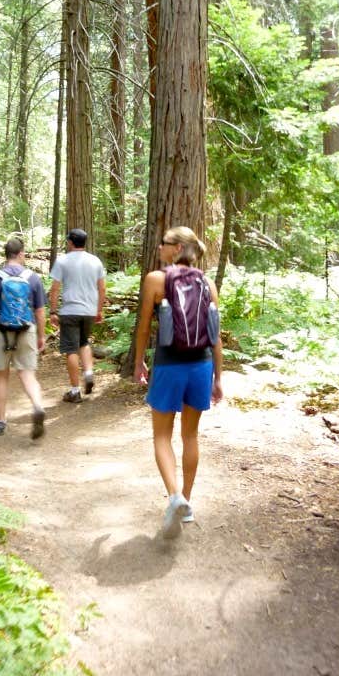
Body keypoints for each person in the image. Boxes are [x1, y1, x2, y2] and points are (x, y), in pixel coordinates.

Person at [133, 226, 223, 539]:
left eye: (163, 243)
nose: (158, 247)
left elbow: (144, 326)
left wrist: (138, 363)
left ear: (176, 248)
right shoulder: (207, 282)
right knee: (191, 435)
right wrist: (219, 377)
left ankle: (174, 497)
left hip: (169, 365)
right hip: (201, 366)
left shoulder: (156, 279)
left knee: (161, 436)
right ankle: (188, 500)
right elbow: (216, 334)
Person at [0, 237, 47, 439]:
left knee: (2, 375)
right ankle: (37, 405)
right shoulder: (32, 277)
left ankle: (0, 421)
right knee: (27, 374)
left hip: (1, 330)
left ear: (6, 254)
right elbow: (40, 311)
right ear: (21, 254)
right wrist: (41, 336)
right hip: (27, 330)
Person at [48, 228, 106, 403]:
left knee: (70, 349)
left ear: (70, 242)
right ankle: (88, 373)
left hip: (70, 310)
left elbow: (55, 289)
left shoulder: (63, 261)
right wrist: (98, 309)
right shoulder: (95, 261)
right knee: (84, 342)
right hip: (89, 310)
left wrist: (52, 311)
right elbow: (102, 288)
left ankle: (75, 391)